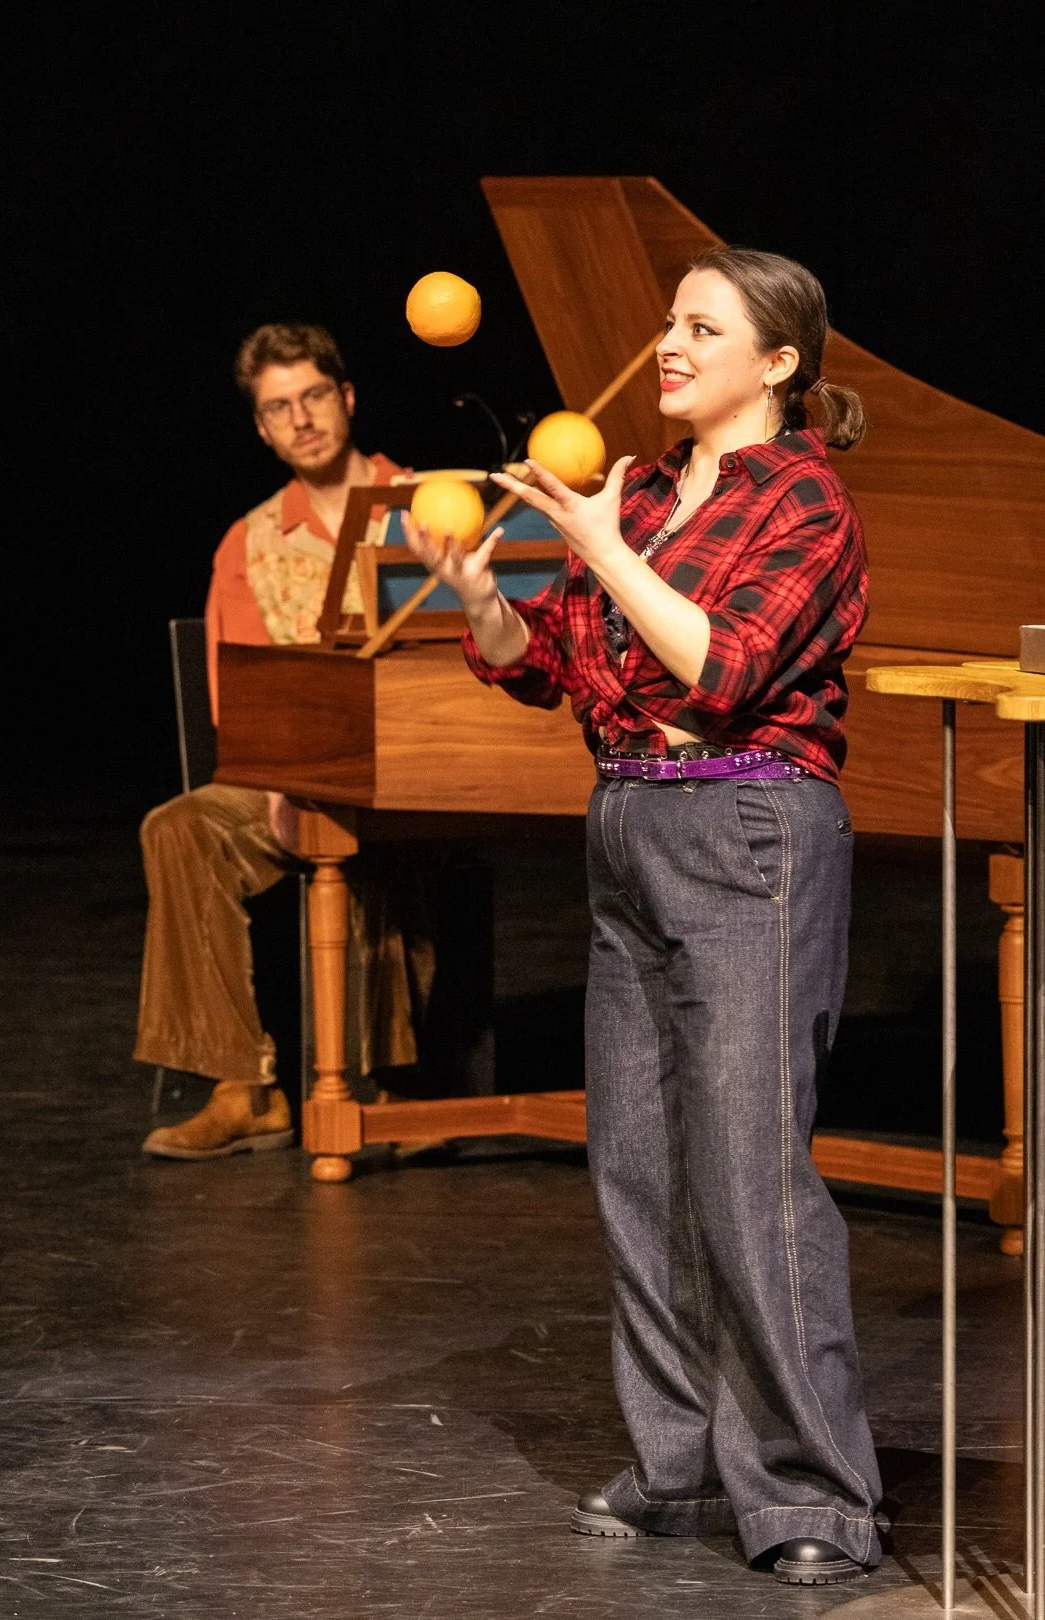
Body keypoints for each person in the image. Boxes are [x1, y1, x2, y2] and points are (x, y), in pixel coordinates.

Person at [404, 250, 881, 1584]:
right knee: (643, 1172)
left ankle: (813, 1496)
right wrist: (484, 595)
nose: (666, 344)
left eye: (700, 326)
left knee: (746, 1170)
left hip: (748, 829)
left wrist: (607, 547)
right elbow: (546, 667)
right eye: (667, 320)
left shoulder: (806, 502)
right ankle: (680, 1468)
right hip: (630, 823)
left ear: (778, 363)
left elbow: (722, 666)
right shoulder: (657, 492)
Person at [136, 323, 433, 1159]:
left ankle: (398, 1088)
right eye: (278, 408)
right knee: (180, 826)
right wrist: (274, 773)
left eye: (311, 397)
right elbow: (237, 692)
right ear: (262, 429)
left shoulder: (426, 504)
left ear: (345, 399)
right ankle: (244, 1087)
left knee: (376, 821)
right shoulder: (249, 539)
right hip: (291, 764)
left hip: (409, 757)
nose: (300, 420)